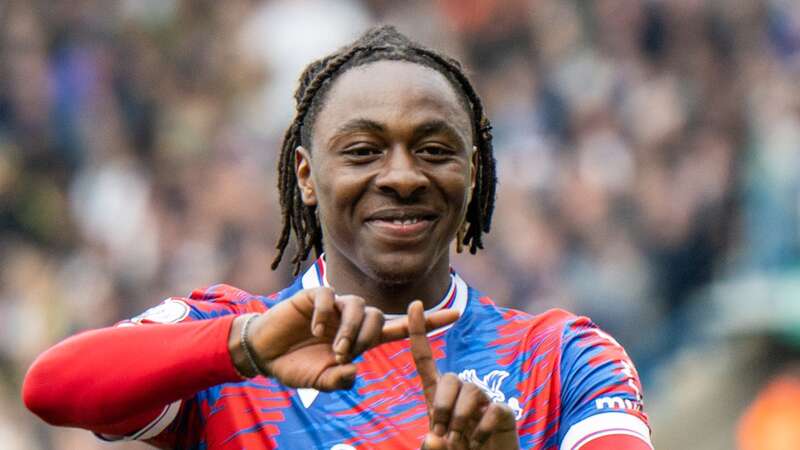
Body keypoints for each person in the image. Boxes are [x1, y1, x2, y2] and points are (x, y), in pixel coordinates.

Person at [22, 26, 653, 450]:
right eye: (362, 151)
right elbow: (51, 387)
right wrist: (240, 347)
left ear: (472, 174)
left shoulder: (562, 357)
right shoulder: (234, 341)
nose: (403, 176)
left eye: (434, 149)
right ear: (307, 176)